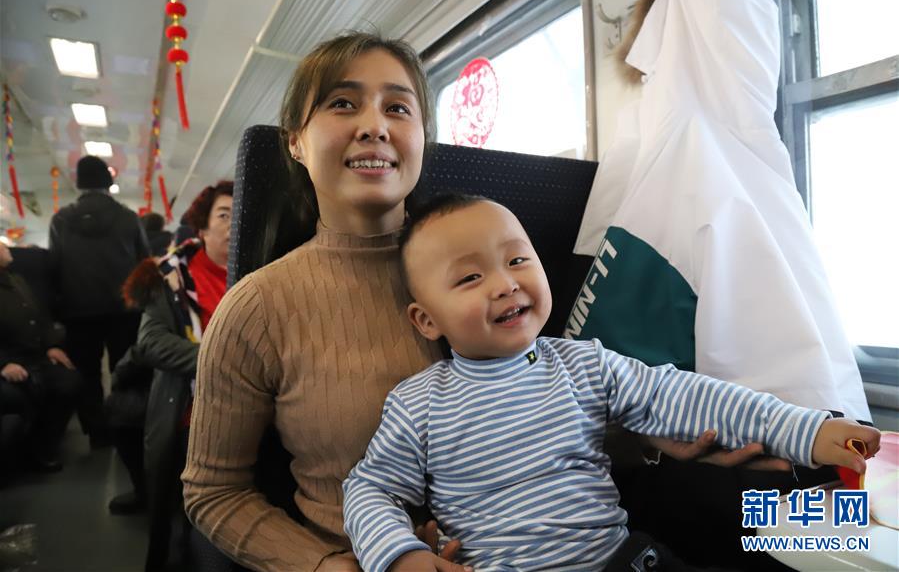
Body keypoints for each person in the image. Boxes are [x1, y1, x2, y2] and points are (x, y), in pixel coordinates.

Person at [182, 32, 775, 572]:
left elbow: (546, 417)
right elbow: (213, 492)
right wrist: (325, 568)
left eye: (397, 107)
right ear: (296, 142)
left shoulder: (499, 259)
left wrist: (643, 438)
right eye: (343, 104)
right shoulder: (256, 309)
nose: (374, 125)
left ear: (421, 137)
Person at [341, 195, 882, 572]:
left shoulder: (582, 364)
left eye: (517, 259)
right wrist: (397, 555)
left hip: (626, 561)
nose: (506, 284)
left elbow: (685, 396)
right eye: (470, 277)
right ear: (426, 321)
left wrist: (806, 429)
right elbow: (370, 488)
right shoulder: (418, 404)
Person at [119, 180, 232, 570]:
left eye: (241, 213)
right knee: (180, 529)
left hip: (249, 414)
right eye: (224, 214)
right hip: (190, 414)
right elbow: (152, 343)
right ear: (201, 228)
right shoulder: (170, 278)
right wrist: (227, 365)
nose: (235, 223)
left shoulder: (264, 273)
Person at [48, 155, 150, 448]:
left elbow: (54, 266)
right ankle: (127, 426)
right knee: (124, 367)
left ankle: (97, 433)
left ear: (79, 183)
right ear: (108, 182)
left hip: (77, 311)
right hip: (123, 309)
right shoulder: (128, 218)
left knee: (86, 372)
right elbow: (144, 264)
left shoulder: (60, 220)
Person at [0, 242, 81, 474]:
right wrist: (3, 364)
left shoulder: (16, 280)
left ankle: (43, 446)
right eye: (2, 247)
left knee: (70, 383)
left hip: (34, 355)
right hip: (11, 360)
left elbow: (39, 316)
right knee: (25, 394)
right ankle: (28, 452)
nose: (7, 248)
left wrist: (51, 346)